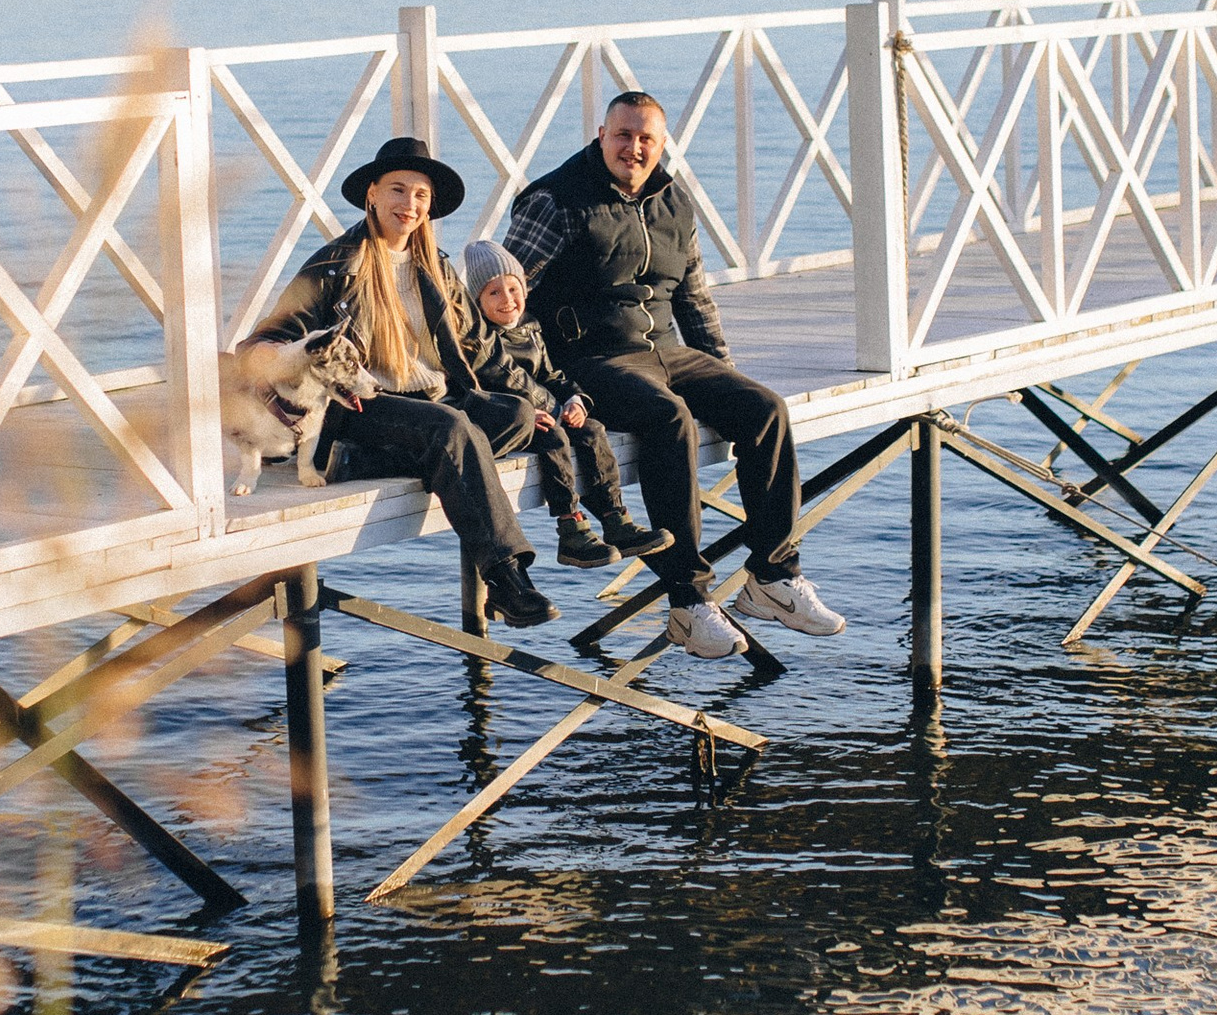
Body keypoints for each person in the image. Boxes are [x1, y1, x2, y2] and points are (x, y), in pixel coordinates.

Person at [502, 91, 846, 656]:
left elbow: (694, 297)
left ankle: (773, 577)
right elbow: (506, 296)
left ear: (662, 145)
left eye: (646, 139)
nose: (633, 149)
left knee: (765, 410)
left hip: (667, 350)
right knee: (669, 419)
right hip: (593, 357)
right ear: (600, 134)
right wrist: (538, 379)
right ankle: (688, 599)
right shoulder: (555, 199)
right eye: (622, 135)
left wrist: (723, 374)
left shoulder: (673, 200)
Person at [248, 138, 556, 630]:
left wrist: (550, 400)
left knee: (512, 416)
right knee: (451, 429)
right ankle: (506, 577)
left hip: (433, 402)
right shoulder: (336, 264)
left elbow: (481, 348)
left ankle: (381, 463)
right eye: (397, 190)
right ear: (371, 194)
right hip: (365, 406)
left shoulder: (436, 267)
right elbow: (275, 334)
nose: (408, 206)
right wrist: (264, 355)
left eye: (420, 196)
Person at [461, 238, 673, 572]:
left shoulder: (530, 327)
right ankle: (570, 526)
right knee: (555, 438)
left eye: (513, 289)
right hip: (509, 418)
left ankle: (613, 516)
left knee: (591, 430)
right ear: (477, 300)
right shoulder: (480, 338)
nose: (507, 300)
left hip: (548, 410)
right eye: (494, 293)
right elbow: (505, 379)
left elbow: (549, 374)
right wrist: (551, 412)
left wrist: (575, 400)